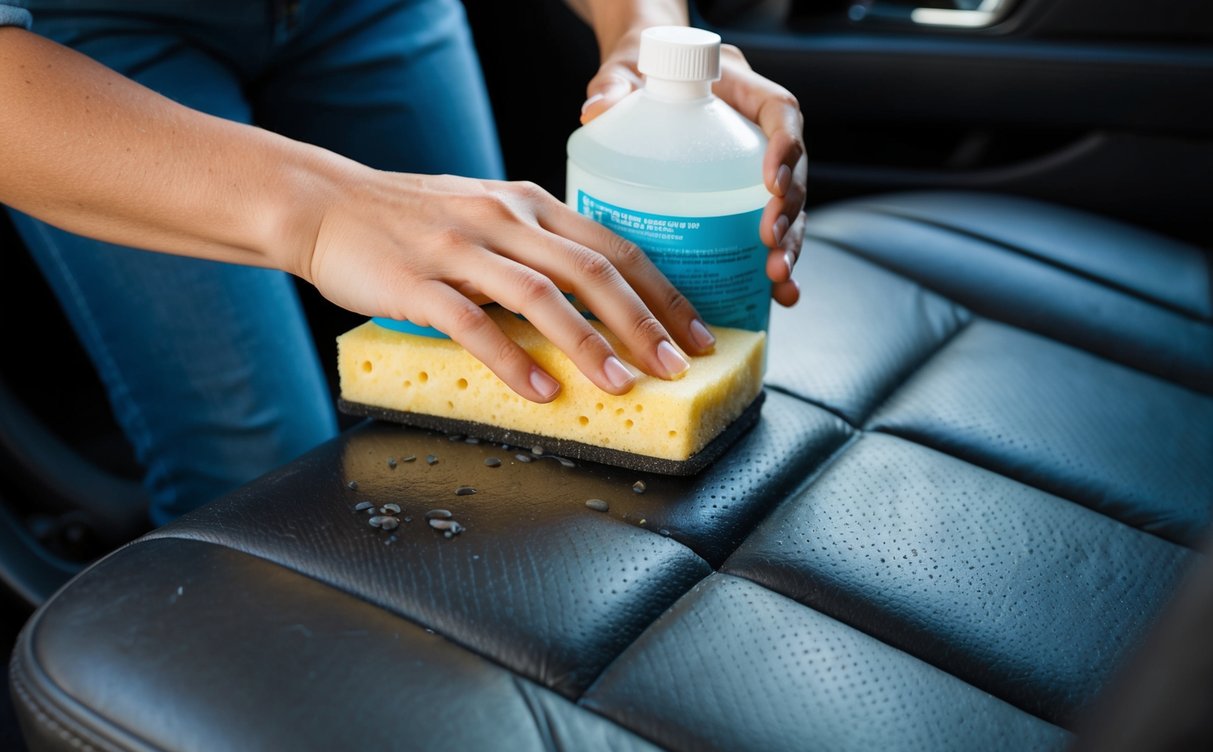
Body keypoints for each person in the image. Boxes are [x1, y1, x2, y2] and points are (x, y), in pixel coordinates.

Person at [0, 0, 807, 525]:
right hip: (82, 43)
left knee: (502, 378)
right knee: (257, 465)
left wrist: (649, 31)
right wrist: (323, 213)